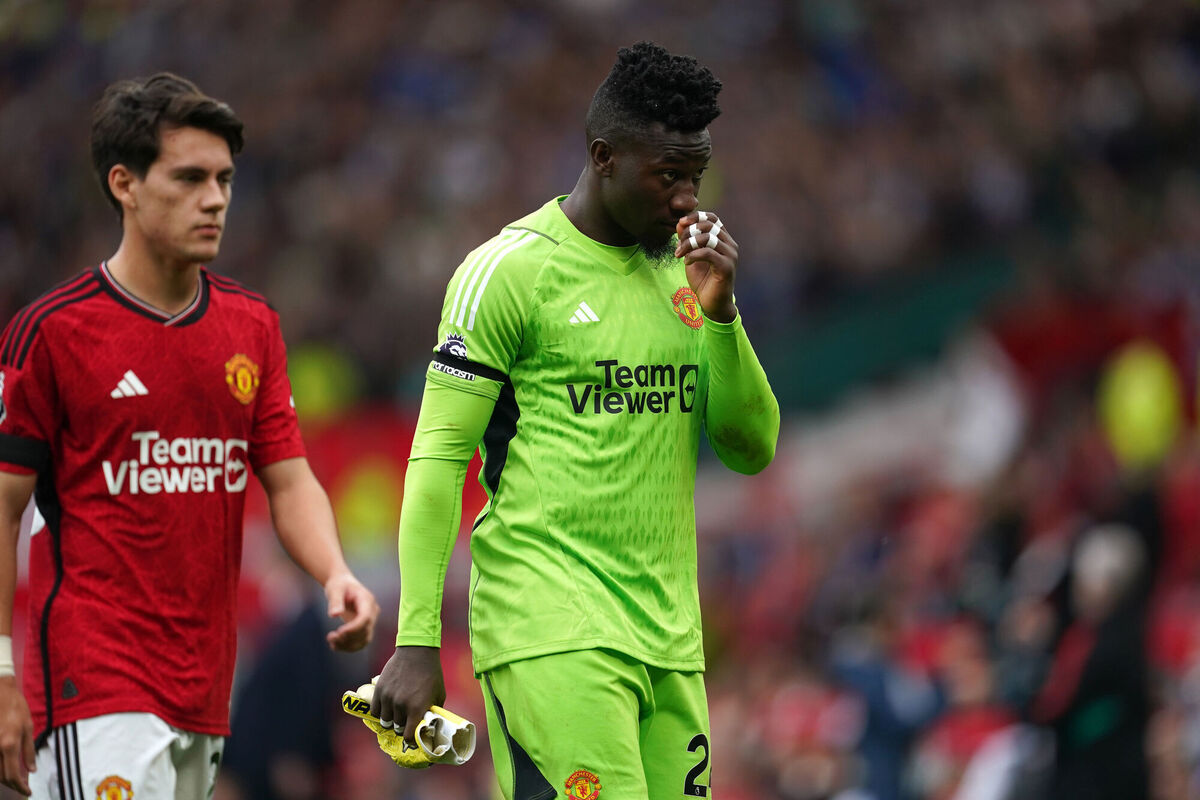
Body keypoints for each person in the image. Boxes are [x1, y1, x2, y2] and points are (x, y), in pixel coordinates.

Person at [372, 41, 780, 799]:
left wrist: (722, 315)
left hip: (670, 641)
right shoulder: (510, 272)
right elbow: (436, 460)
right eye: (668, 176)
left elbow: (751, 448)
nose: (688, 199)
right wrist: (417, 639)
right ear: (603, 157)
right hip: (549, 630)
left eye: (696, 176)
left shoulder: (687, 281)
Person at [0, 73, 379, 798]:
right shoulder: (51, 334)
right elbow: (2, 507)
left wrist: (334, 574)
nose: (215, 199)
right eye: (190, 178)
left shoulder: (252, 327)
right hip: (94, 683)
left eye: (225, 179)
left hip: (204, 685)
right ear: (125, 185)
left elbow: (289, 476)